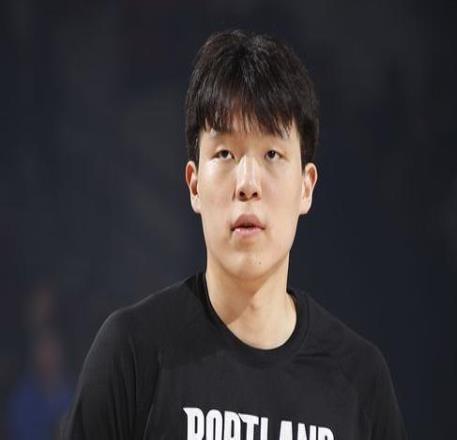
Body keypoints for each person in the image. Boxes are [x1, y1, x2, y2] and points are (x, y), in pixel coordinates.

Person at [62, 29, 407, 439]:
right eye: (225, 153)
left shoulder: (360, 381)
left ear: (306, 187)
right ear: (194, 185)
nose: (247, 183)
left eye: (272, 154)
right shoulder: (132, 354)